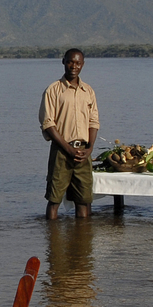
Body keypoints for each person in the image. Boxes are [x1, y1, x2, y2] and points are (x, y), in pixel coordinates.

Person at [40, 48, 100, 219]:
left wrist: (90, 149)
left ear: (83, 65)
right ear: (63, 62)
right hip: (61, 151)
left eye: (78, 63)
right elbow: (48, 123)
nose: (74, 66)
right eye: (70, 62)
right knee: (54, 200)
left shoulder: (88, 91)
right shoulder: (53, 90)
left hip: (83, 152)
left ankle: (81, 235)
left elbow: (94, 122)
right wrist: (68, 149)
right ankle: (51, 235)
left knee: (83, 201)